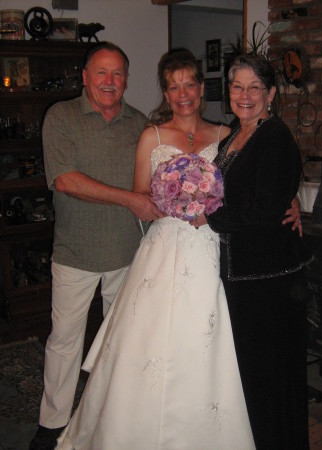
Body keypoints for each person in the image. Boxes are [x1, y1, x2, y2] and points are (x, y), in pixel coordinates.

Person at [55, 47, 256, 449]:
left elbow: (247, 192)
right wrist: (173, 199)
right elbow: (140, 197)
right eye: (172, 87)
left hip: (209, 245)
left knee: (204, 333)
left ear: (201, 88)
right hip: (164, 246)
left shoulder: (224, 135)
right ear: (165, 94)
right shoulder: (152, 136)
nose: (182, 94)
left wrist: (286, 202)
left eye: (189, 84)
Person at [29, 42, 162, 450]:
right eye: (101, 72)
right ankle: (52, 424)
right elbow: (66, 180)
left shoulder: (141, 125)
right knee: (65, 342)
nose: (109, 81)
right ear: (84, 77)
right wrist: (129, 199)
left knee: (117, 343)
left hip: (127, 254)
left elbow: (158, 184)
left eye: (118, 73)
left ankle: (109, 416)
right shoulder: (61, 117)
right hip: (75, 253)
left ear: (126, 80)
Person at [205, 54, 312, 449]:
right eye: (237, 86)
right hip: (244, 276)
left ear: (270, 93)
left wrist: (208, 217)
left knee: (272, 377)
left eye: (255, 87)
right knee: (251, 375)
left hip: (269, 281)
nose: (245, 95)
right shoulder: (236, 134)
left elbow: (265, 211)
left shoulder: (275, 136)